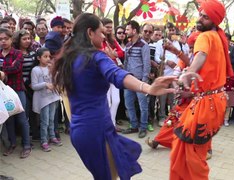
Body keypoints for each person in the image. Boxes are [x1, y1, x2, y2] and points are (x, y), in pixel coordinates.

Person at [51, 13, 180, 179]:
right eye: (102, 32)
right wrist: (148, 88)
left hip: (81, 131)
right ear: (90, 33)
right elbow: (117, 75)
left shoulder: (68, 58)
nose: (104, 36)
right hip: (96, 131)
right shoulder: (96, 56)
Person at [170, 1, 234, 179]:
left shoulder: (205, 37)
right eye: (201, 15)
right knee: (183, 143)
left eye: (205, 17)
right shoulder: (217, 39)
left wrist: (189, 73)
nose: (200, 19)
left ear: (214, 20)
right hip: (211, 100)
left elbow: (201, 55)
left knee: (193, 154)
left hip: (207, 103)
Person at [0, 28, 32, 158]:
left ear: (11, 39)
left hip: (18, 90)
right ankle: (12, 144)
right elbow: (11, 68)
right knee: (9, 119)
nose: (3, 41)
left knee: (21, 119)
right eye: (0, 39)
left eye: (5, 39)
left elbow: (16, 68)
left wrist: (2, 70)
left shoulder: (18, 53)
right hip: (3, 93)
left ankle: (26, 145)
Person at [121, 20, 150, 138]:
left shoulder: (144, 45)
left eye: (128, 29)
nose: (125, 32)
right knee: (128, 104)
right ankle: (134, 126)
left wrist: (143, 82)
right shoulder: (127, 45)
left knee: (143, 106)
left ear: (134, 30)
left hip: (140, 82)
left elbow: (146, 64)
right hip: (129, 81)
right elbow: (126, 62)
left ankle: (143, 127)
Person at [31, 47, 62, 152]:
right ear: (39, 58)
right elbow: (34, 86)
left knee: (52, 119)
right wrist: (45, 84)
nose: (48, 58)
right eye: (45, 56)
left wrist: (54, 69)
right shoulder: (35, 70)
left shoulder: (50, 67)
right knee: (45, 121)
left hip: (52, 97)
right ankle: (44, 140)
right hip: (43, 99)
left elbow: (57, 79)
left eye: (49, 56)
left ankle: (52, 136)